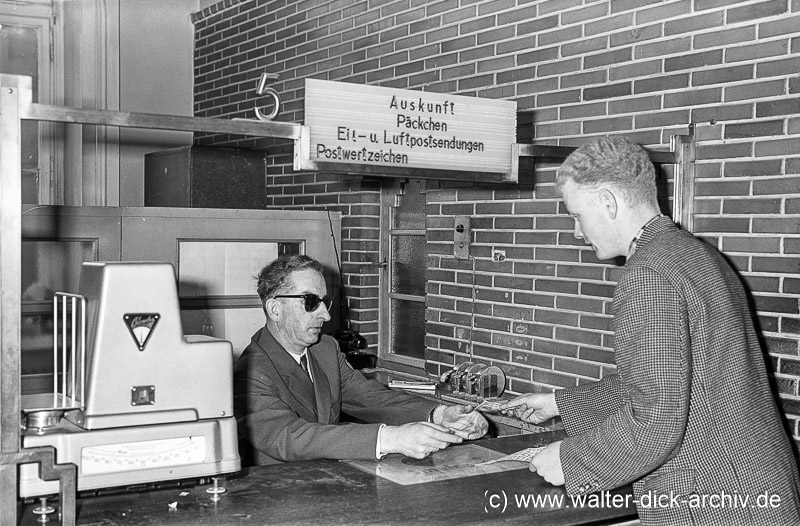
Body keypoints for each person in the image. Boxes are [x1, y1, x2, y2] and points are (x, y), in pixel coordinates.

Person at [501, 136, 800, 525]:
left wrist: (569, 459)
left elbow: (656, 417)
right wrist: (560, 403)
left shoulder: (647, 275)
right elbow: (679, 382)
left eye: (576, 215)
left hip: (714, 500)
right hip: (755, 485)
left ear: (608, 202)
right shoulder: (696, 253)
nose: (577, 231)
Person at [233, 254, 488, 465]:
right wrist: (390, 438)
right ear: (275, 309)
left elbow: (371, 397)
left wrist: (438, 414)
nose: (325, 315)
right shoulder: (249, 372)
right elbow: (289, 437)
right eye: (311, 302)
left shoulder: (325, 350)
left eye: (325, 302)